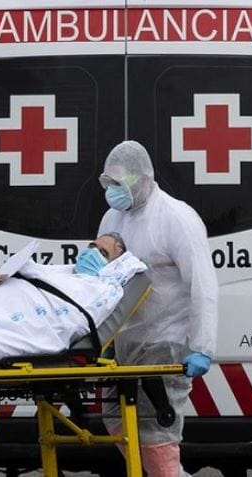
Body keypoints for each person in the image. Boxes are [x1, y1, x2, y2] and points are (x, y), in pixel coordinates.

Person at [97, 141, 218, 477]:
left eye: (120, 182)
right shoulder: (112, 219)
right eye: (109, 182)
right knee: (114, 420)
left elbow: (203, 286)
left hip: (165, 340)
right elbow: (102, 280)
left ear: (142, 178)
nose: (113, 190)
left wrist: (202, 347)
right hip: (123, 343)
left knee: (155, 432)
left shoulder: (176, 218)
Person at [0, 233, 144, 356]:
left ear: (112, 266)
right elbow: (23, 280)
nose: (92, 252)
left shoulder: (101, 291)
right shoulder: (61, 272)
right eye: (92, 246)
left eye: (103, 253)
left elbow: (69, 319)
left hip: (29, 329)